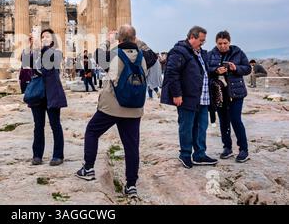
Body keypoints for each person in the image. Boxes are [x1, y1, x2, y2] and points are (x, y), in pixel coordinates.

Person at [76, 25, 148, 199]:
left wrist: (108, 40)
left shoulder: (114, 54)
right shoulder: (144, 56)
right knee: (131, 146)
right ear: (135, 38)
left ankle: (88, 168)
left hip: (112, 107)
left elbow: (97, 54)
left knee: (92, 131)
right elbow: (150, 53)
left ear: (119, 39)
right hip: (134, 108)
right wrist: (136, 41)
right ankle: (131, 185)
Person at [161, 26, 218, 169]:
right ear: (192, 37)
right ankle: (185, 155)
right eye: (201, 40)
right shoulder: (179, 51)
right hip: (187, 97)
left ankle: (199, 154)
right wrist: (176, 94)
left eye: (204, 41)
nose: (203, 43)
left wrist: (216, 70)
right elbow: (172, 73)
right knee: (186, 127)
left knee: (201, 127)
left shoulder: (200, 53)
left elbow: (203, 71)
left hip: (203, 98)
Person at [207, 31, 252, 162]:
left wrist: (235, 68)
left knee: (236, 120)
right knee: (223, 121)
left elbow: (248, 69)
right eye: (220, 43)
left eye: (225, 43)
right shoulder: (210, 54)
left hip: (236, 93)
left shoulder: (238, 52)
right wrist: (216, 70)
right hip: (219, 93)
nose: (222, 46)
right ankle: (227, 148)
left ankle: (244, 150)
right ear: (216, 43)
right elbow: (206, 70)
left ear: (229, 42)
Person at [29, 29, 68, 166]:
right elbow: (28, 66)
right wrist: (31, 47)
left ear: (52, 41)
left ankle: (58, 155)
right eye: (42, 36)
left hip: (52, 93)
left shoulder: (56, 53)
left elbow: (47, 69)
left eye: (47, 36)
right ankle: (37, 155)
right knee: (38, 126)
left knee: (55, 124)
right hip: (38, 93)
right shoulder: (36, 53)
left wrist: (43, 48)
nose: (44, 38)